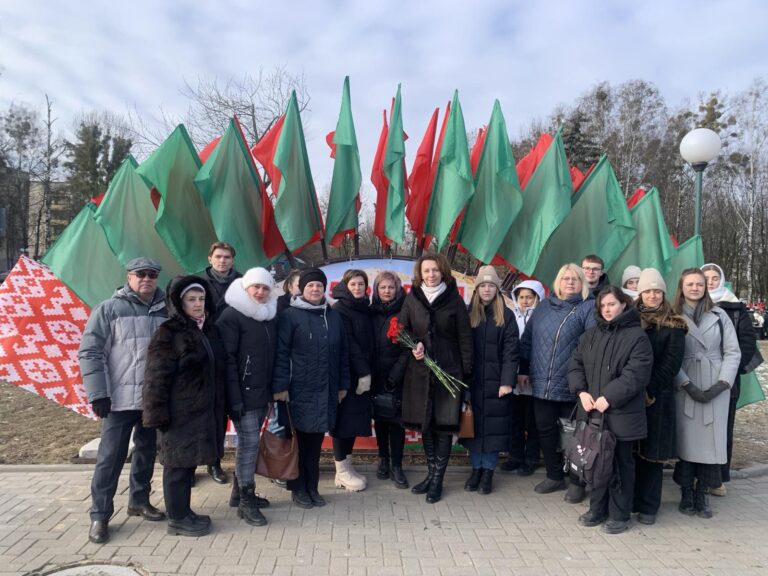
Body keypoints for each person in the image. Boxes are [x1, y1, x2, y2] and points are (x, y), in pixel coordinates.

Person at [79, 257, 168, 544]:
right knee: (110, 458)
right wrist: (98, 393)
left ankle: (139, 500)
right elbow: (91, 352)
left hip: (153, 398)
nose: (146, 279)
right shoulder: (109, 309)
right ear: (129, 277)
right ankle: (100, 515)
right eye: (140, 274)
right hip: (118, 401)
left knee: (145, 452)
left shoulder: (168, 309)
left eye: (152, 274)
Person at [143, 276, 226, 537]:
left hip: (202, 413)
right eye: (191, 299)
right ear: (180, 303)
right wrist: (156, 414)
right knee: (177, 467)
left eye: (201, 299)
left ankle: (185, 511)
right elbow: (156, 377)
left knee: (188, 464)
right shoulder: (169, 332)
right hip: (178, 413)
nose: (198, 304)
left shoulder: (208, 330)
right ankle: (177, 519)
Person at [568, 287, 652, 534]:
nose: (607, 309)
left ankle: (620, 514)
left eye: (612, 304)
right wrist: (581, 392)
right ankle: (597, 509)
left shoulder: (637, 337)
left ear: (623, 305)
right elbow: (575, 365)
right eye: (603, 305)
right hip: (592, 413)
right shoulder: (590, 335)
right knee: (595, 463)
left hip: (620, 415)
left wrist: (610, 397)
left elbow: (636, 373)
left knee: (620, 464)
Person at [272, 268, 350, 509]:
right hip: (298, 391)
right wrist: (281, 386)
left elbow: (343, 353)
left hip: (326, 389)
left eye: (319, 285)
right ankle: (298, 489)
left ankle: (312, 488)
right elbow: (281, 354)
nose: (315, 289)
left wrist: (342, 385)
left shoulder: (333, 316)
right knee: (299, 443)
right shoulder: (290, 316)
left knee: (315, 444)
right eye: (310, 286)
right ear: (301, 290)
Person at [398, 253, 473, 504]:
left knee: (443, 426)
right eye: (426, 271)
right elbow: (401, 329)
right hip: (419, 373)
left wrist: (466, 373)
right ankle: (430, 475)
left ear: (443, 272)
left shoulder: (455, 300)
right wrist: (413, 344)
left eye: (435, 270)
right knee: (426, 425)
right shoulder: (412, 297)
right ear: (421, 274)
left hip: (448, 372)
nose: (431, 275)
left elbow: (464, 339)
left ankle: (438, 480)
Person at [518, 263, 596, 502]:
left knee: (576, 437)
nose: (570, 282)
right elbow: (528, 340)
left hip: (573, 385)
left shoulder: (589, 308)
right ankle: (553, 475)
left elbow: (592, 347)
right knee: (545, 430)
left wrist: (584, 382)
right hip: (541, 383)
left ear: (583, 283)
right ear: (558, 282)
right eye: (565, 278)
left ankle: (577, 481)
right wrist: (522, 369)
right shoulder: (543, 307)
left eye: (575, 279)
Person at [672, 268, 741, 518]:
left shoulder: (720, 315)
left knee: (711, 445)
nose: (695, 288)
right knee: (687, 443)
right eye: (689, 284)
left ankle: (703, 492)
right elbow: (669, 354)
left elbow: (733, 352)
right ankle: (686, 492)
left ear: (705, 287)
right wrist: (685, 383)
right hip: (686, 384)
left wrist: (723, 383)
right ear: (682, 287)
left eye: (699, 284)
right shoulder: (674, 316)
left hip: (715, 385)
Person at [217, 267, 278, 526]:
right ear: (246, 288)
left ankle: (237, 494)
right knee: (249, 444)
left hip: (262, 392)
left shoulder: (267, 316)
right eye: (256, 287)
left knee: (249, 445)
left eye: (265, 288)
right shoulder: (232, 315)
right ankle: (246, 500)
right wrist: (235, 398)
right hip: (242, 393)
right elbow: (227, 360)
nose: (261, 292)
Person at [632, 268, 687, 525]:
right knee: (630, 452)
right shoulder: (629, 318)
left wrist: (649, 390)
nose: (652, 295)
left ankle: (648, 506)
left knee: (652, 455)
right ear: (640, 293)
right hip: (629, 395)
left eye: (657, 291)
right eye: (648, 291)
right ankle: (629, 500)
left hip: (657, 397)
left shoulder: (674, 323)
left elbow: (671, 364)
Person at [701, 263, 760, 496]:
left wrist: (728, 370)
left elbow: (746, 341)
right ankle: (694, 475)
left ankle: (717, 478)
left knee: (722, 428)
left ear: (721, 280)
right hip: (697, 377)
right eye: (706, 278)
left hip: (726, 379)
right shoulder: (690, 305)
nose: (710, 282)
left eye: (715, 278)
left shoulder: (735, 306)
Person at [460, 266, 518, 495]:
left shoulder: (507, 315)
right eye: (483, 285)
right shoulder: (468, 313)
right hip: (472, 383)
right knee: (474, 428)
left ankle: (488, 473)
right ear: (476, 289)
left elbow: (511, 352)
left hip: (496, 383)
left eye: (491, 285)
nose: (486, 289)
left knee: (493, 430)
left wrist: (506, 381)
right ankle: (475, 470)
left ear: (497, 288)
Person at [331, 269, 374, 491]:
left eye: (361, 284)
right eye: (353, 284)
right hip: (348, 376)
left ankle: (347, 466)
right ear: (345, 286)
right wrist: (364, 372)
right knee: (343, 423)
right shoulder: (340, 309)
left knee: (353, 422)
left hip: (361, 375)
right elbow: (350, 344)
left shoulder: (364, 307)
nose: (358, 288)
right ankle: (341, 471)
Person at [203, 241, 241, 484]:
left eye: (227, 257)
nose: (223, 261)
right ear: (210, 259)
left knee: (236, 409)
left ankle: (244, 465)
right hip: (209, 351)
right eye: (218, 256)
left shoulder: (242, 282)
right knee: (212, 414)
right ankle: (213, 462)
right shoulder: (199, 283)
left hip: (237, 350)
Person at [501, 280, 544, 476]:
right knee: (515, 420)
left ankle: (531, 458)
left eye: (529, 297)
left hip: (535, 378)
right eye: (521, 297)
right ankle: (515, 456)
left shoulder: (543, 317)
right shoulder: (510, 316)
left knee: (532, 421)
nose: (525, 301)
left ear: (537, 298)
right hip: (514, 377)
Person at [370, 270, 409, 488]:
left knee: (396, 424)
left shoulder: (404, 312)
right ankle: (383, 460)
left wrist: (396, 375)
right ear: (376, 290)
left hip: (396, 378)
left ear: (397, 289)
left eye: (391, 287)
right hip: (375, 377)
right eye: (383, 287)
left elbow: (407, 349)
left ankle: (397, 466)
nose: (387, 291)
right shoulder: (370, 312)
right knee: (381, 421)